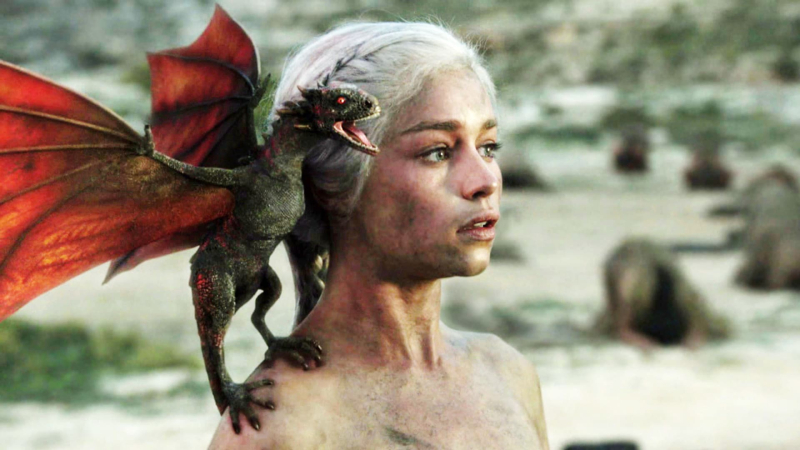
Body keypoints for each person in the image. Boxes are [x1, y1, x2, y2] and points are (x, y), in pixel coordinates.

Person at [209, 20, 549, 449]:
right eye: (438, 152)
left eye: (488, 147)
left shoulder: (509, 376)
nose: (486, 180)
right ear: (332, 184)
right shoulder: (279, 425)